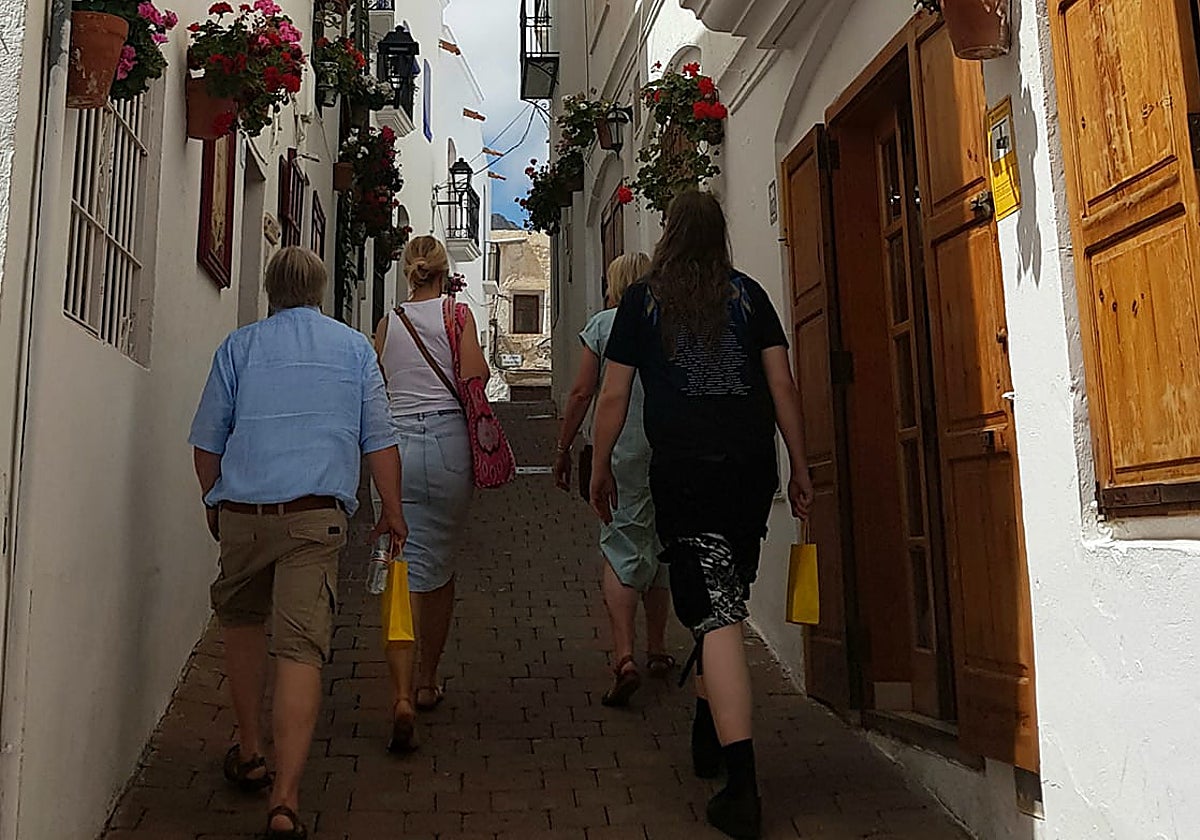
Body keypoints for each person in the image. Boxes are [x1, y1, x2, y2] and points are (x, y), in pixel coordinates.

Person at [590, 191, 814, 840]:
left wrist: (600, 464)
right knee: (724, 599)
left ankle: (742, 786)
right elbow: (782, 386)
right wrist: (800, 465)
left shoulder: (643, 302)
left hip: (686, 475)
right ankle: (704, 731)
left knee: (717, 614)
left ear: (668, 235)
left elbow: (613, 394)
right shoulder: (747, 297)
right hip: (748, 474)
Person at [189, 247, 408, 840]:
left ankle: (252, 750)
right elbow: (378, 439)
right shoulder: (354, 349)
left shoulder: (238, 347)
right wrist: (392, 510)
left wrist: (215, 504)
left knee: (241, 624)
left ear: (269, 289)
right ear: (318, 290)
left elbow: (207, 442)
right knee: (300, 648)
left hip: (243, 510)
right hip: (315, 517)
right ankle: (284, 799)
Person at [371, 235, 490, 752]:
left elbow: (377, 382)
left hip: (394, 447)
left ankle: (398, 693)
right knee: (437, 570)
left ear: (407, 272)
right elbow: (475, 375)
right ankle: (426, 681)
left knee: (399, 564)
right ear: (445, 273)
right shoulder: (458, 316)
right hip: (446, 444)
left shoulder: (388, 322)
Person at [553, 252, 673, 707]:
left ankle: (624, 656)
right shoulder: (668, 326)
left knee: (621, 546)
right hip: (667, 449)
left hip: (620, 452)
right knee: (661, 547)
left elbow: (583, 391)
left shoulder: (604, 325)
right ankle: (658, 648)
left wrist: (563, 448)